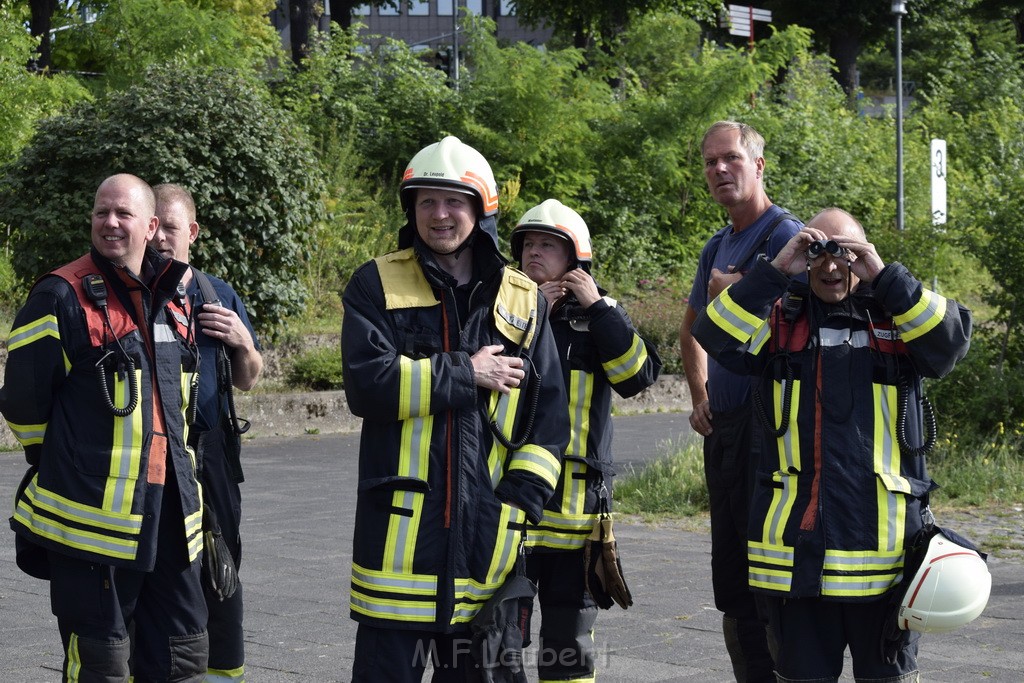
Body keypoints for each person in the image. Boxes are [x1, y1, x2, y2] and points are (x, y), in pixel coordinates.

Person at [691, 208, 972, 682]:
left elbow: (951, 342)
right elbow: (713, 333)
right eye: (818, 251)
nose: (831, 264)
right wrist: (777, 269)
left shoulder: (897, 318)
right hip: (797, 567)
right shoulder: (779, 319)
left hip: (886, 567)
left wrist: (885, 276)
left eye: (845, 252)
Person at [340, 136, 570, 682]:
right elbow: (366, 386)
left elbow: (550, 418)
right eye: (426, 201)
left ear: (481, 209)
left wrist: (517, 505)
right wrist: (464, 372)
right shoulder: (375, 282)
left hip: (486, 549)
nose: (439, 214)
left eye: (453, 201)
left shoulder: (523, 298)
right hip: (398, 549)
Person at [0, 174, 208, 681]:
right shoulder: (60, 295)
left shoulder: (177, 295)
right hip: (92, 529)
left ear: (152, 225)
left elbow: (183, 407)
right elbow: (24, 405)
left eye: (123, 214)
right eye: (101, 213)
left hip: (172, 521)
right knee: (102, 664)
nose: (110, 223)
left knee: (183, 658)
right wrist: (71, 464)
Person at [509, 198, 662, 682]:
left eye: (548, 246)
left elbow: (636, 378)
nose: (535, 253)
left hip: (575, 510)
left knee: (569, 643)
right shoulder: (499, 309)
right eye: (529, 244)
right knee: (497, 635)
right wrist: (534, 318)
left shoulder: (599, 318)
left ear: (576, 260)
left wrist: (598, 308)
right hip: (507, 508)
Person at [678, 120, 803, 681]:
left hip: (772, 432)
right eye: (710, 162)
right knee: (730, 575)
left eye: (731, 158)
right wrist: (700, 393)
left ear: (758, 165)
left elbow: (807, 324)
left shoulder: (786, 237)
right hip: (725, 428)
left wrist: (736, 291)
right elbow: (691, 330)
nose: (719, 170)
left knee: (770, 573)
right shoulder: (715, 244)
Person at [152, 183, 263, 683]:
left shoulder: (218, 294)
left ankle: (224, 670)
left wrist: (243, 341)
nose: (159, 240)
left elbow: (248, 376)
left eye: (169, 228)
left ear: (192, 232)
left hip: (212, 451)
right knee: (159, 567)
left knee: (222, 568)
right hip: (153, 453)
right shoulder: (130, 296)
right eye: (152, 226)